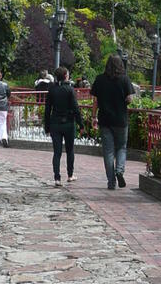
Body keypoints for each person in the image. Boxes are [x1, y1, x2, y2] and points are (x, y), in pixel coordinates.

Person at [91, 53, 135, 190]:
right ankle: (119, 170)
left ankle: (111, 182)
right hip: (121, 120)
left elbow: (95, 101)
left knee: (108, 151)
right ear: (120, 65)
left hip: (105, 120)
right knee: (121, 147)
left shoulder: (99, 79)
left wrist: (93, 117)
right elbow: (129, 98)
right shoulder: (125, 79)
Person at [43, 65, 83, 185]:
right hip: (68, 123)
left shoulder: (52, 90)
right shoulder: (70, 90)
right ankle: (70, 175)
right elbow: (76, 108)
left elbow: (47, 109)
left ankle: (57, 178)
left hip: (55, 123)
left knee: (57, 152)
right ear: (65, 76)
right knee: (70, 150)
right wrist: (81, 124)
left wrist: (47, 126)